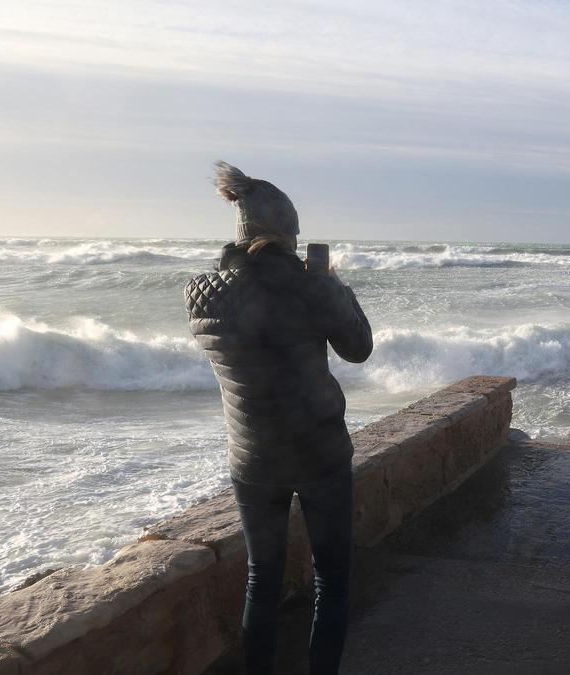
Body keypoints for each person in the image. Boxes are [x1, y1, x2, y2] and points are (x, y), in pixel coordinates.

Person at [185, 161, 372, 674]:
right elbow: (358, 347)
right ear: (290, 234)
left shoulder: (201, 292)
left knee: (261, 581)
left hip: (252, 459)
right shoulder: (312, 288)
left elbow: (249, 324)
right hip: (320, 456)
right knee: (331, 583)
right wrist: (335, 285)